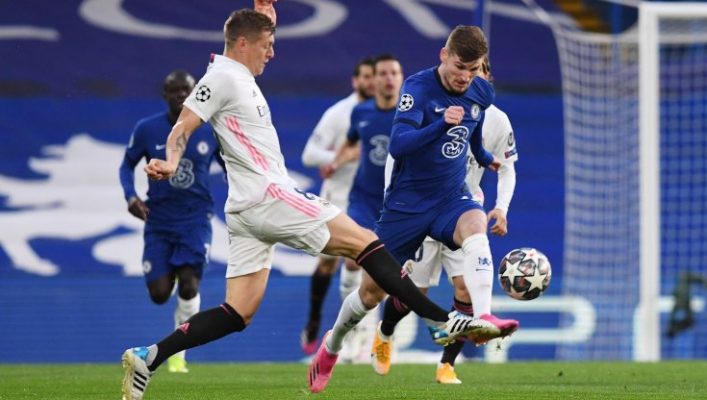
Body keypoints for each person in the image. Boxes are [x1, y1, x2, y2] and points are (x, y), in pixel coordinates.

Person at [121, 3, 488, 399]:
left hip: (244, 210)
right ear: (243, 44)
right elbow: (184, 123)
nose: (272, 52)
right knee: (366, 243)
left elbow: (253, 31)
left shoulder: (238, 70)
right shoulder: (222, 77)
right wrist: (171, 160)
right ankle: (441, 321)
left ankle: (149, 356)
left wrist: (266, 13)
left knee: (237, 313)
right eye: (267, 45)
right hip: (269, 195)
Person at [370, 56, 519, 384]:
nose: (469, 78)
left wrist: (502, 208)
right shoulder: (435, 103)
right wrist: (392, 202)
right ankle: (385, 332)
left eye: (477, 72)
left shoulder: (496, 120)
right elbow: (399, 152)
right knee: (413, 292)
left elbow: (506, 167)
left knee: (465, 287)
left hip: (460, 211)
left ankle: (447, 364)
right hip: (421, 206)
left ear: (487, 79)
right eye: (465, 71)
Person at [118, 70, 224, 374]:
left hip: (195, 219)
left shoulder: (209, 129)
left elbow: (231, 165)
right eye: (174, 90)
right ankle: (174, 270)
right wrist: (131, 197)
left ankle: (178, 357)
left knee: (189, 285)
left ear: (195, 93)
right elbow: (126, 165)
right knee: (160, 293)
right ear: (164, 95)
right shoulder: (147, 129)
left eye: (186, 90)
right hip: (159, 221)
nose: (180, 95)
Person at [299, 58, 375, 356]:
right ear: (355, 81)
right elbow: (309, 154)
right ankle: (314, 318)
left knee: (359, 260)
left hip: (368, 199)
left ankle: (357, 334)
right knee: (327, 264)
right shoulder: (339, 113)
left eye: (374, 76)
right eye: (365, 76)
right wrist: (337, 158)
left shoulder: (386, 113)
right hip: (337, 198)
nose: (371, 82)